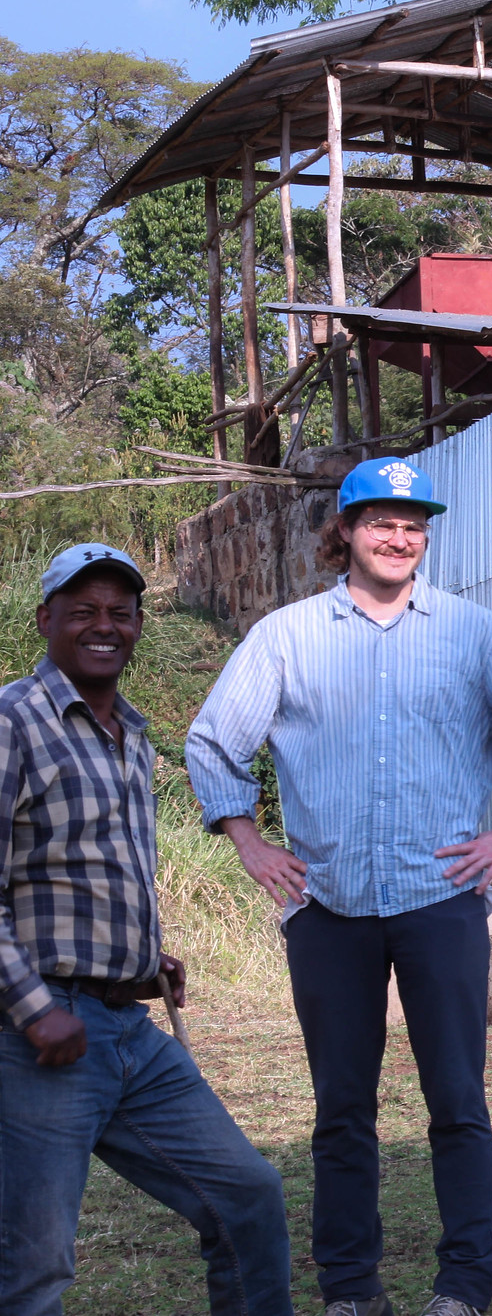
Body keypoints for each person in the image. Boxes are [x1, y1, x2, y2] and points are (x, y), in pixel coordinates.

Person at [187, 458, 492, 1316]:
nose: (398, 537)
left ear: (423, 536)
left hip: (441, 899)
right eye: (379, 521)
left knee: (457, 1098)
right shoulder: (286, 637)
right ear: (346, 531)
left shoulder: (471, 633)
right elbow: (215, 741)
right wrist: (250, 843)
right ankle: (351, 1289)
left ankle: (465, 1282)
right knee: (341, 1109)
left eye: (412, 523)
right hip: (326, 905)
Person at [0, 543, 293, 1315]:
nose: (105, 626)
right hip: (36, 1040)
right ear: (46, 619)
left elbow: (81, 871)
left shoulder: (132, 733)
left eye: (120, 612)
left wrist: (140, 957)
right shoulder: (12, 722)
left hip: (126, 1029)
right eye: (84, 610)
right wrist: (37, 1010)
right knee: (33, 1267)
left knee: (249, 1197)